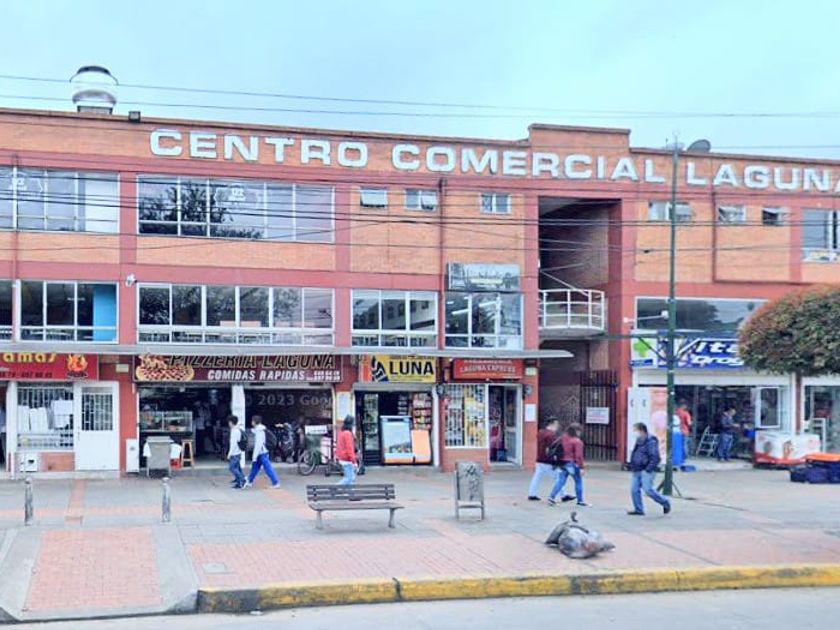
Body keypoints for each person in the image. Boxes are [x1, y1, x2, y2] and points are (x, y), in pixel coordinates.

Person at [628, 422, 671, 516]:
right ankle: (639, 509)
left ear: (642, 431)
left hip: (646, 469)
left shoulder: (651, 441)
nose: (634, 433)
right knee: (634, 490)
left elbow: (655, 457)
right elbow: (636, 453)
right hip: (637, 469)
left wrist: (648, 469)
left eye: (636, 430)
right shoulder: (639, 441)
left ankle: (665, 502)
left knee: (648, 490)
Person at [548, 424, 589, 507]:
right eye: (579, 431)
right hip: (572, 463)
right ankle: (580, 501)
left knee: (561, 481)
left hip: (562, 463)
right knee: (578, 481)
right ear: (576, 431)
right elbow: (578, 456)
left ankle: (551, 497)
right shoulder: (577, 441)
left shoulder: (562, 438)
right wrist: (581, 467)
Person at [527, 417, 561, 501]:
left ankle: (532, 494)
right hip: (547, 460)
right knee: (558, 476)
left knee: (537, 477)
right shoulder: (551, 435)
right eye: (556, 424)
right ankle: (564, 495)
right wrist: (556, 460)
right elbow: (553, 449)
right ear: (552, 424)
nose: (557, 426)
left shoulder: (541, 432)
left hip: (539, 458)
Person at [244, 415, 280, 489]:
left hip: (262, 453)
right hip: (262, 453)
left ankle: (276, 482)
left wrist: (254, 456)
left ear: (254, 422)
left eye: (252, 421)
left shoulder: (259, 431)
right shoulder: (260, 429)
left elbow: (258, 445)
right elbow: (253, 431)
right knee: (255, 468)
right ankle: (249, 481)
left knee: (267, 468)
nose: (251, 422)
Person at [335, 415, 358, 486]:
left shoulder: (341, 432)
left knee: (351, 479)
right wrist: (354, 461)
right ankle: (334, 488)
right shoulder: (348, 434)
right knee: (349, 478)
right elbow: (349, 449)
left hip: (341, 457)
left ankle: (349, 492)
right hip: (347, 459)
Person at [226, 415, 246, 489]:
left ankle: (242, 480)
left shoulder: (235, 431)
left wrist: (229, 454)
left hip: (235, 453)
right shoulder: (236, 430)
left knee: (232, 468)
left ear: (231, 422)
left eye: (229, 422)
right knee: (237, 468)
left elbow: (233, 444)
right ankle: (238, 482)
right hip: (237, 452)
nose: (228, 424)